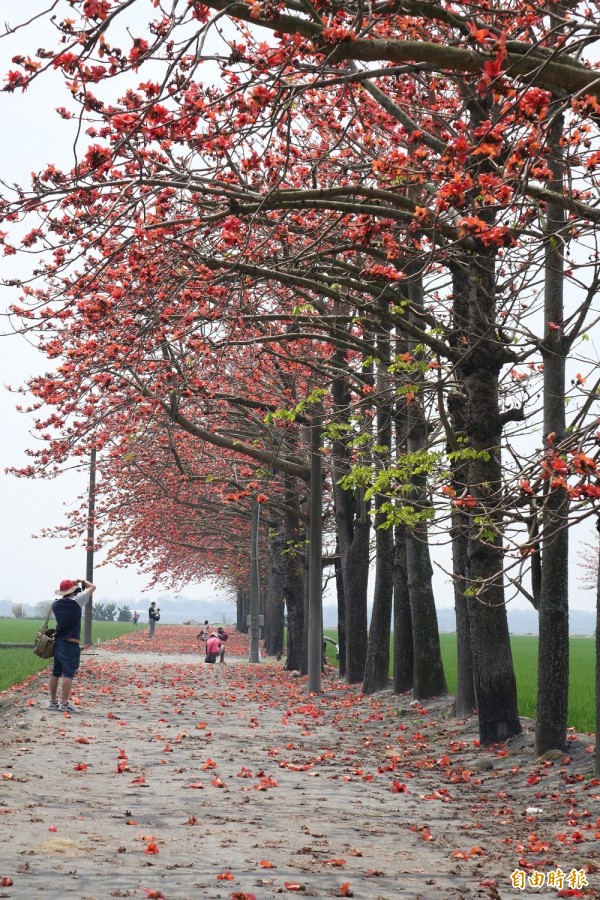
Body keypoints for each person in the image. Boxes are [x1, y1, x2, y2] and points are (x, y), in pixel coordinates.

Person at [48, 577, 96, 713]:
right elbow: (93, 587)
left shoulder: (55, 604)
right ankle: (64, 703)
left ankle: (52, 702)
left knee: (55, 673)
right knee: (68, 674)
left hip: (58, 643)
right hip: (71, 644)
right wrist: (81, 580)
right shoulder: (77, 601)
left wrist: (74, 586)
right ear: (73, 590)